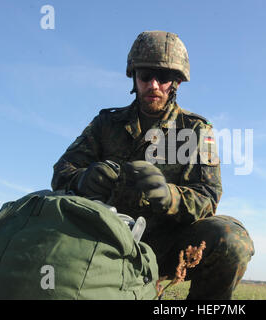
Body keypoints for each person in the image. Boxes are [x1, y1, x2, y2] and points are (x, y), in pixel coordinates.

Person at [51, 30, 254, 299]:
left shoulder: (195, 130)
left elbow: (208, 197)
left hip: (166, 246)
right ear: (134, 77)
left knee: (231, 240)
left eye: (164, 77)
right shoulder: (105, 124)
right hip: (103, 239)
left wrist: (168, 196)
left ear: (177, 83)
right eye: (146, 76)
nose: (154, 85)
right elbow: (61, 172)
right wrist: (83, 179)